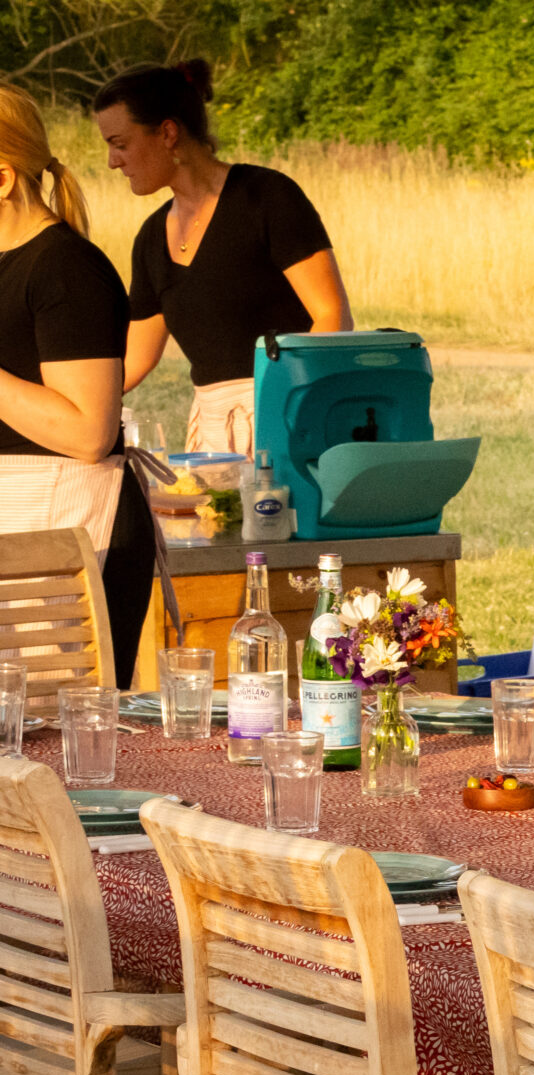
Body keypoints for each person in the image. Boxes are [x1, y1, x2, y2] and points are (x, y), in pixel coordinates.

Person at [92, 60, 351, 454]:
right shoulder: (150, 238)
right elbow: (135, 358)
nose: (113, 161)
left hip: (293, 421)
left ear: (167, 132)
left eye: (120, 143)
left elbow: (331, 317)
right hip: (210, 439)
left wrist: (285, 417)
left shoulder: (266, 197)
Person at [0, 86, 158, 683]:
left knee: (52, 736)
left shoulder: (65, 268)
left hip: (68, 523)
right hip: (16, 522)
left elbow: (89, 431)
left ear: (3, 178)